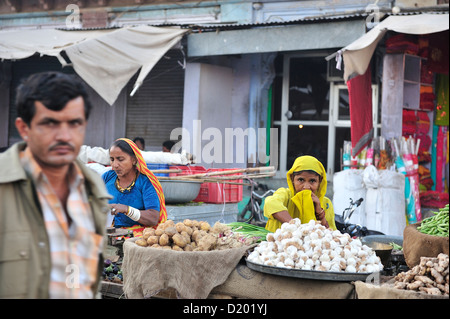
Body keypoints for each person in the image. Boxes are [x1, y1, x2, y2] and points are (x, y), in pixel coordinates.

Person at [0, 71, 111, 299]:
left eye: (74, 123)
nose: (64, 136)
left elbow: (81, 281)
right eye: (50, 123)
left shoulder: (93, 193)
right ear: (23, 129)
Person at [102, 138, 167, 236]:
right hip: (107, 234)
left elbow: (153, 218)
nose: (115, 165)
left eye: (120, 159)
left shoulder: (145, 182)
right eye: (112, 159)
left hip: (135, 236)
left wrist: (127, 210)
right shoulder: (107, 177)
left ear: (134, 160)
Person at [264, 155, 337, 232]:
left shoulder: (325, 203)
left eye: (312, 181)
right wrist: (295, 226)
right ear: (292, 179)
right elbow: (271, 203)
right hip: (278, 242)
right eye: (301, 180)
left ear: (320, 181)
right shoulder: (286, 195)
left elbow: (331, 234)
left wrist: (319, 213)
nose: (306, 187)